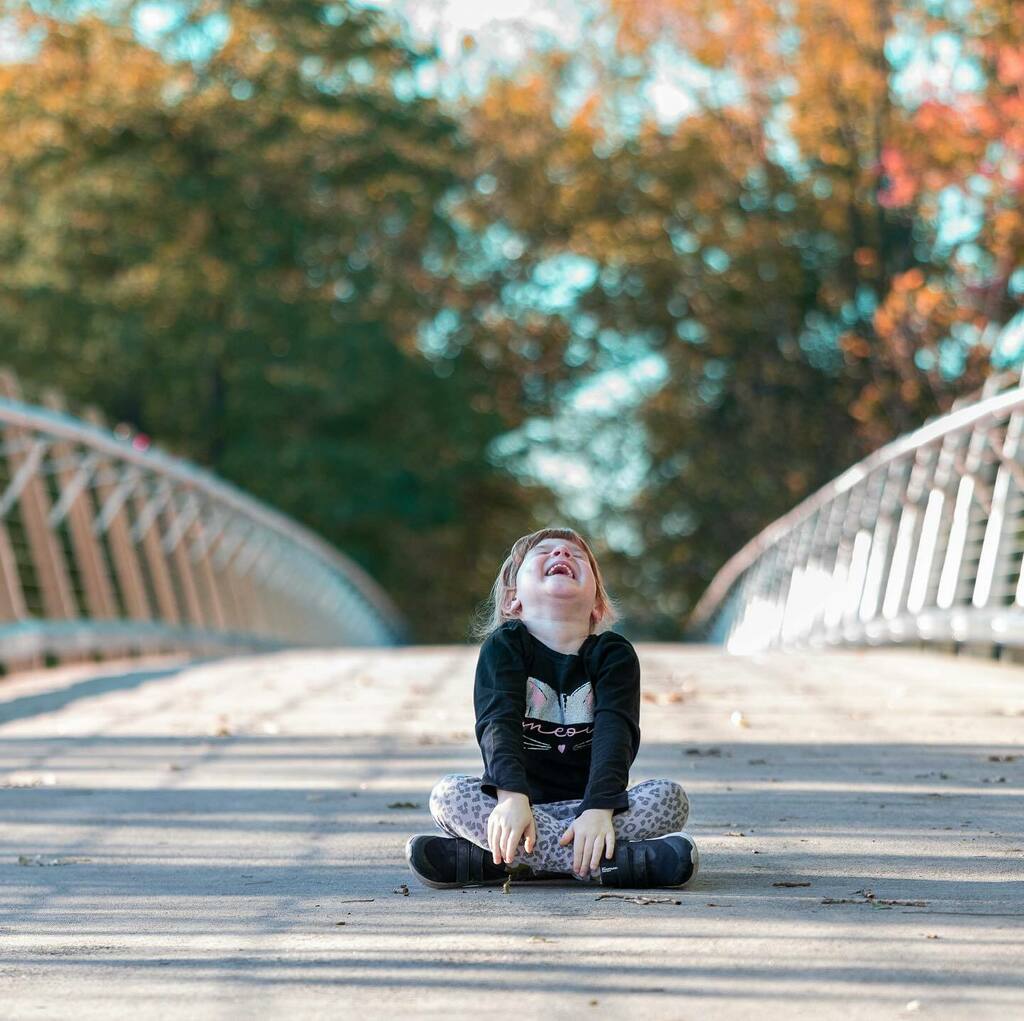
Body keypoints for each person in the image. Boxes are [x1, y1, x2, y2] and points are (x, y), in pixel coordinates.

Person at [405, 526, 699, 889]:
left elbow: (616, 732)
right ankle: (609, 863)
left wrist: (598, 809)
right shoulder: (504, 647)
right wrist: (511, 798)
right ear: (514, 600)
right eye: (545, 552)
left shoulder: (613, 654)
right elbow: (498, 722)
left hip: (593, 810)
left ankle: (500, 861)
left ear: (597, 604)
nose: (562, 555)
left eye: (576, 556)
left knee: (670, 799)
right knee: (448, 796)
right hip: (519, 808)